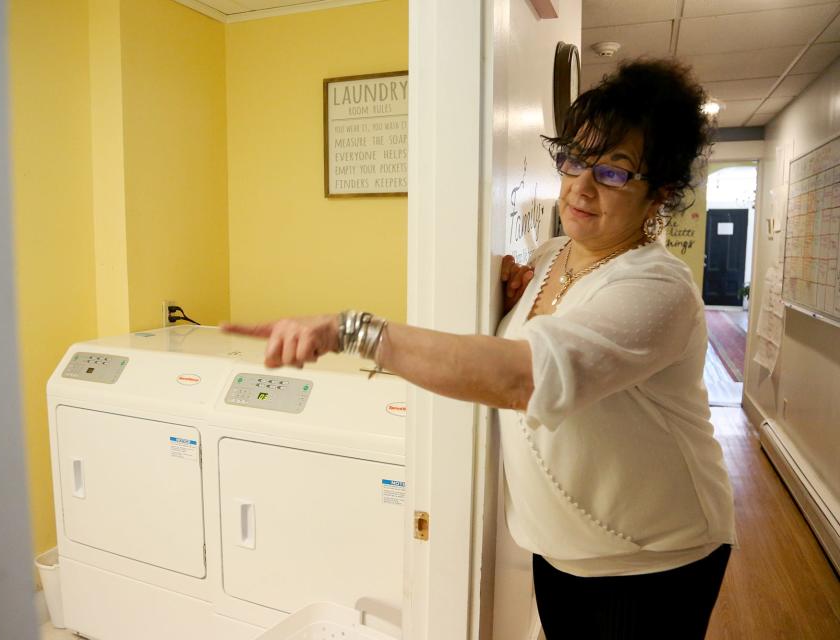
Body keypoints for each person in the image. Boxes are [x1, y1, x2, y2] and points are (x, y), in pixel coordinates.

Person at [222, 58, 735, 639]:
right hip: (560, 547)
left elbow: (524, 378)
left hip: (653, 559)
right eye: (573, 158)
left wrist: (352, 330)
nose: (580, 185)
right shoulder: (548, 258)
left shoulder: (658, 288)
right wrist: (495, 305)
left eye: (614, 172)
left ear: (659, 195)